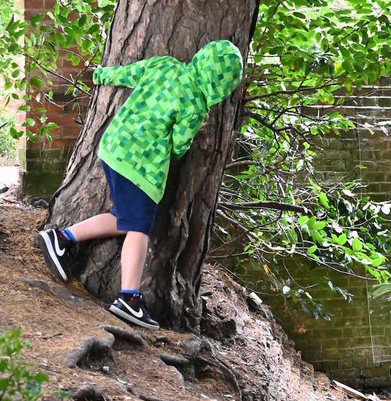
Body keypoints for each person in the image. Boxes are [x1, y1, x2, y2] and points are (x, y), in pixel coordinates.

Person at [36, 40, 243, 330]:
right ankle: (129, 298)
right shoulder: (196, 105)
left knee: (124, 219)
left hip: (113, 148)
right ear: (221, 86)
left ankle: (62, 238)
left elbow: (129, 73)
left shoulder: (166, 64)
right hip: (140, 168)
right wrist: (194, 130)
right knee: (139, 228)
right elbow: (179, 147)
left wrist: (101, 75)